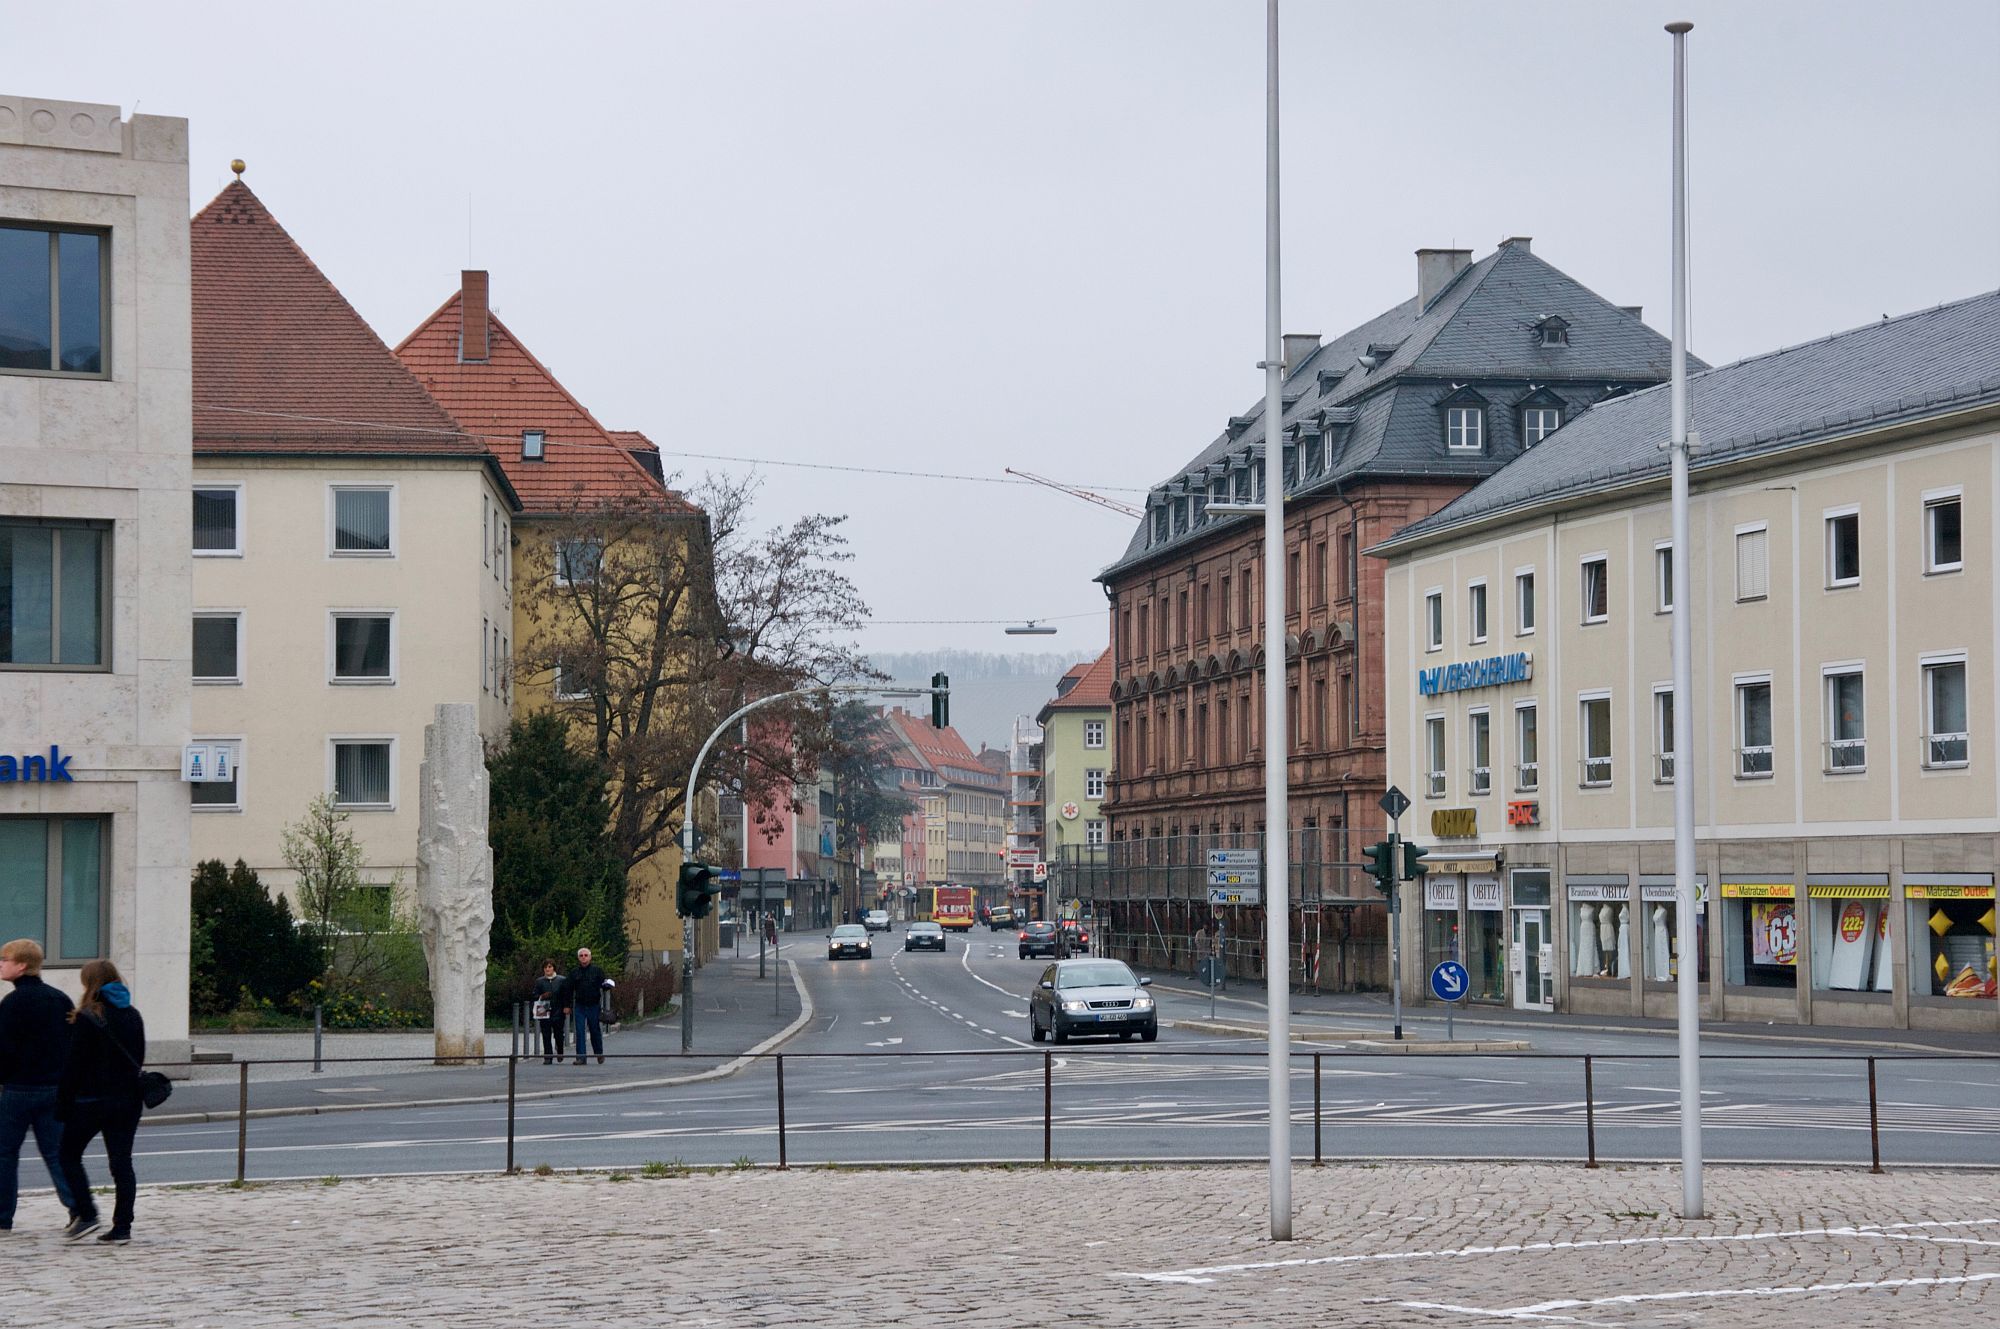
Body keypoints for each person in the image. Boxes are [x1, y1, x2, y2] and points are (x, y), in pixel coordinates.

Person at [56, 958, 145, 1245]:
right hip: (128, 1100)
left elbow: (74, 1065)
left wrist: (63, 1101)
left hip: (92, 1101)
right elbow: (138, 1058)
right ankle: (122, 1226)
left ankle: (86, 1212)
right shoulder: (132, 1014)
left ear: (89, 983)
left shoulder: (88, 1017)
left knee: (68, 1155)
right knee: (121, 1164)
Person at [0, 939, 78, 1231]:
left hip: (19, 1088)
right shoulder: (60, 999)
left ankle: (2, 1215)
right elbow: (72, 1044)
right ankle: (77, 1207)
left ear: (21, 965)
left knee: (5, 1153)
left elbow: (4, 1049)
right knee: (57, 1153)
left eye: (4, 959)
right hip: (55, 1088)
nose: (0, 964)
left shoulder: (12, 1003)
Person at [566, 947, 610, 1066]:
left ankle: (599, 1053)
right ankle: (581, 1057)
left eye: (586, 955)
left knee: (595, 1030)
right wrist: (568, 1005)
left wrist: (608, 986)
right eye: (581, 955)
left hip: (593, 1005)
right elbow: (569, 990)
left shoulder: (597, 971)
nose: (584, 957)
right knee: (579, 1031)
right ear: (578, 958)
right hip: (580, 1005)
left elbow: (604, 985)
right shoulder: (574, 972)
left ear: (590, 957)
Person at [531, 960, 569, 1065]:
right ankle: (548, 1056)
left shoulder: (561, 980)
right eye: (546, 967)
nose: (548, 969)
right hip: (544, 1010)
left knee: (558, 1034)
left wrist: (566, 1006)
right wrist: (542, 996)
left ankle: (560, 1050)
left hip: (558, 1010)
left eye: (550, 967)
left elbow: (566, 995)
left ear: (554, 968)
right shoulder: (539, 981)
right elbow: (534, 995)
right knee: (546, 1034)